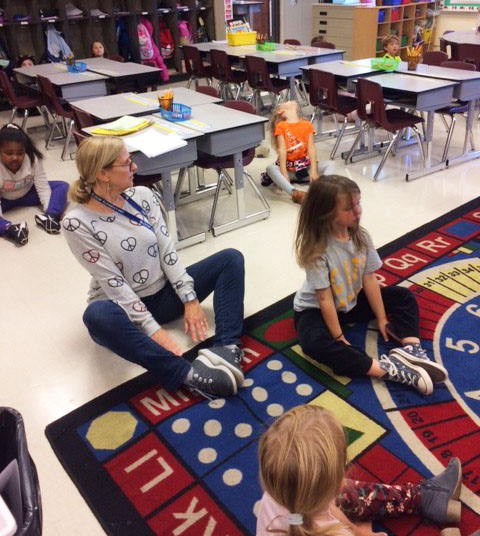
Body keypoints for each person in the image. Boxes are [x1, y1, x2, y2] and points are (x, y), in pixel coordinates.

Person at [63, 136, 245, 399]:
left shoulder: (143, 196)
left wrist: (189, 299)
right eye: (127, 163)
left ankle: (227, 347)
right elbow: (115, 285)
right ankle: (187, 375)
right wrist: (155, 332)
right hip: (121, 310)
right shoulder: (76, 223)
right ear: (103, 174)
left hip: (162, 294)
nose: (135, 167)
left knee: (231, 258)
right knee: (96, 316)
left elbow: (167, 252)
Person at [293, 176, 448, 395]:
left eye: (358, 203)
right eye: (349, 208)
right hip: (315, 310)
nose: (358, 211)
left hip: (350, 301)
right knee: (313, 343)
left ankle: (411, 349)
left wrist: (382, 317)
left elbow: (369, 279)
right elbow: (324, 299)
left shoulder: (360, 237)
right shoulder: (317, 249)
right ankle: (389, 369)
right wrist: (338, 337)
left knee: (403, 296)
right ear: (326, 214)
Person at [257, 404, 463, 536]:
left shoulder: (277, 496)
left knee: (316, 485)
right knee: (346, 491)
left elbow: (323, 509)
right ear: (339, 480)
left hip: (310, 512)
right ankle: (425, 498)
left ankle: (425, 498)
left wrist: (357, 532)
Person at [0, 124, 68, 245]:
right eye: (9, 153)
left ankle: (50, 218)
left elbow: (42, 186)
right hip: (4, 200)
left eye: (20, 153)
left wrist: (50, 210)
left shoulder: (33, 158)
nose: (15, 158)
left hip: (28, 193)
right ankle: (10, 229)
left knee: (62, 186)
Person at [261, 101, 336, 205]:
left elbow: (311, 148)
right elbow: (282, 150)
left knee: (330, 164)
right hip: (289, 171)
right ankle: (295, 193)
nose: (290, 100)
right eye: (287, 101)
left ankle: (322, 188)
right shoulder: (281, 126)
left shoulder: (307, 125)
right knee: (270, 168)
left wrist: (313, 170)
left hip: (305, 170)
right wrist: (284, 173)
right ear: (281, 111)